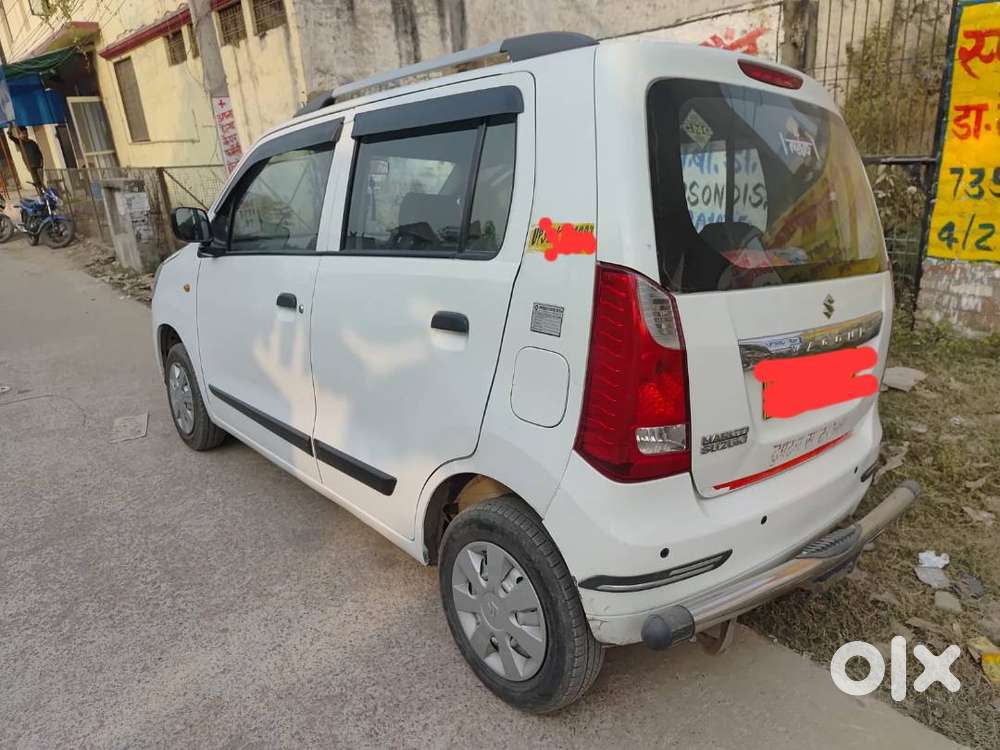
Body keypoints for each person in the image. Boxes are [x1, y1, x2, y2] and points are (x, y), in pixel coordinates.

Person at [7, 125, 44, 191]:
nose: (25, 135)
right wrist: (10, 127)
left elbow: (39, 153)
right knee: (37, 181)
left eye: (26, 133)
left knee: (41, 181)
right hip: (30, 165)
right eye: (23, 133)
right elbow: (10, 136)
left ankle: (42, 190)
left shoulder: (32, 142)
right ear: (20, 134)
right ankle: (40, 191)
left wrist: (42, 162)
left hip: (38, 165)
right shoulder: (21, 143)